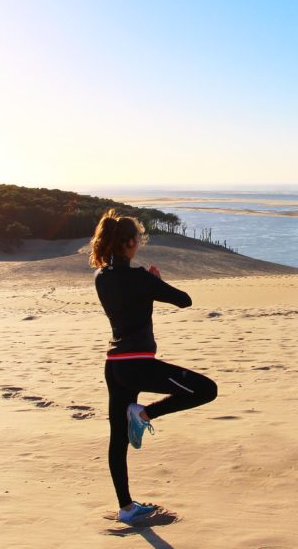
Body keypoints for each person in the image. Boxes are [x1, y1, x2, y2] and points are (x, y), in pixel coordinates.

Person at [90, 208, 218, 525]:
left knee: (118, 439)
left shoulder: (101, 277)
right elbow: (184, 300)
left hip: (115, 366)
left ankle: (126, 508)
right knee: (206, 389)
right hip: (139, 363)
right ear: (132, 242)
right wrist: (155, 282)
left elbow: (127, 297)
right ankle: (145, 413)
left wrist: (148, 285)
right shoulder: (141, 278)